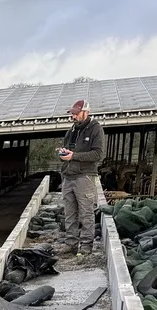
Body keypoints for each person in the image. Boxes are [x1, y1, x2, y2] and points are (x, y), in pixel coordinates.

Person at [58, 99, 105, 256]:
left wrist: (74, 156)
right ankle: (70, 243)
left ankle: (86, 245)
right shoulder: (72, 131)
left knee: (86, 212)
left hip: (84, 176)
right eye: (72, 114)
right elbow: (69, 151)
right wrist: (64, 154)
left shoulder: (95, 129)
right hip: (68, 175)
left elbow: (98, 154)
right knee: (70, 212)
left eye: (76, 114)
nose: (73, 116)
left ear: (86, 112)